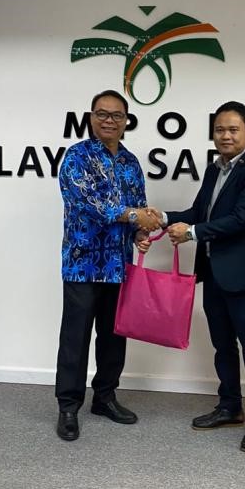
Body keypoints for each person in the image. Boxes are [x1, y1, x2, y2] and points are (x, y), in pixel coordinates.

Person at [165, 101, 245, 452]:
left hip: (244, 277)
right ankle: (230, 406)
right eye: (219, 130)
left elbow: (243, 219)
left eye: (233, 129)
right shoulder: (215, 170)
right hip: (213, 274)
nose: (226, 136)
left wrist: (192, 233)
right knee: (222, 345)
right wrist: (163, 217)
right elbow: (199, 212)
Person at [55, 89, 160, 442]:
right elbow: (91, 205)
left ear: (126, 120)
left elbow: (138, 209)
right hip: (83, 265)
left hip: (118, 265)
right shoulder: (76, 157)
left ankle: (105, 397)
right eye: (102, 113)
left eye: (116, 115)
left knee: (114, 336)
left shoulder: (130, 163)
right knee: (75, 337)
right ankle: (68, 406)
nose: (109, 120)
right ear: (91, 117)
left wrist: (139, 233)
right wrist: (133, 216)